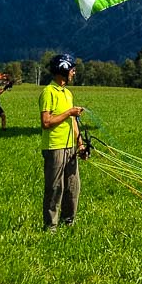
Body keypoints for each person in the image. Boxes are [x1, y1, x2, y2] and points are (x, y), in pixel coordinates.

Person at [39, 53, 85, 231]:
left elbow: (73, 122)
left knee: (73, 187)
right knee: (55, 188)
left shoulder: (68, 93)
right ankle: (50, 226)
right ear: (63, 69)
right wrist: (69, 112)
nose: (74, 72)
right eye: (72, 69)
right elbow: (46, 122)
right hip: (55, 147)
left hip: (70, 146)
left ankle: (68, 222)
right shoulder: (48, 92)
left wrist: (80, 144)